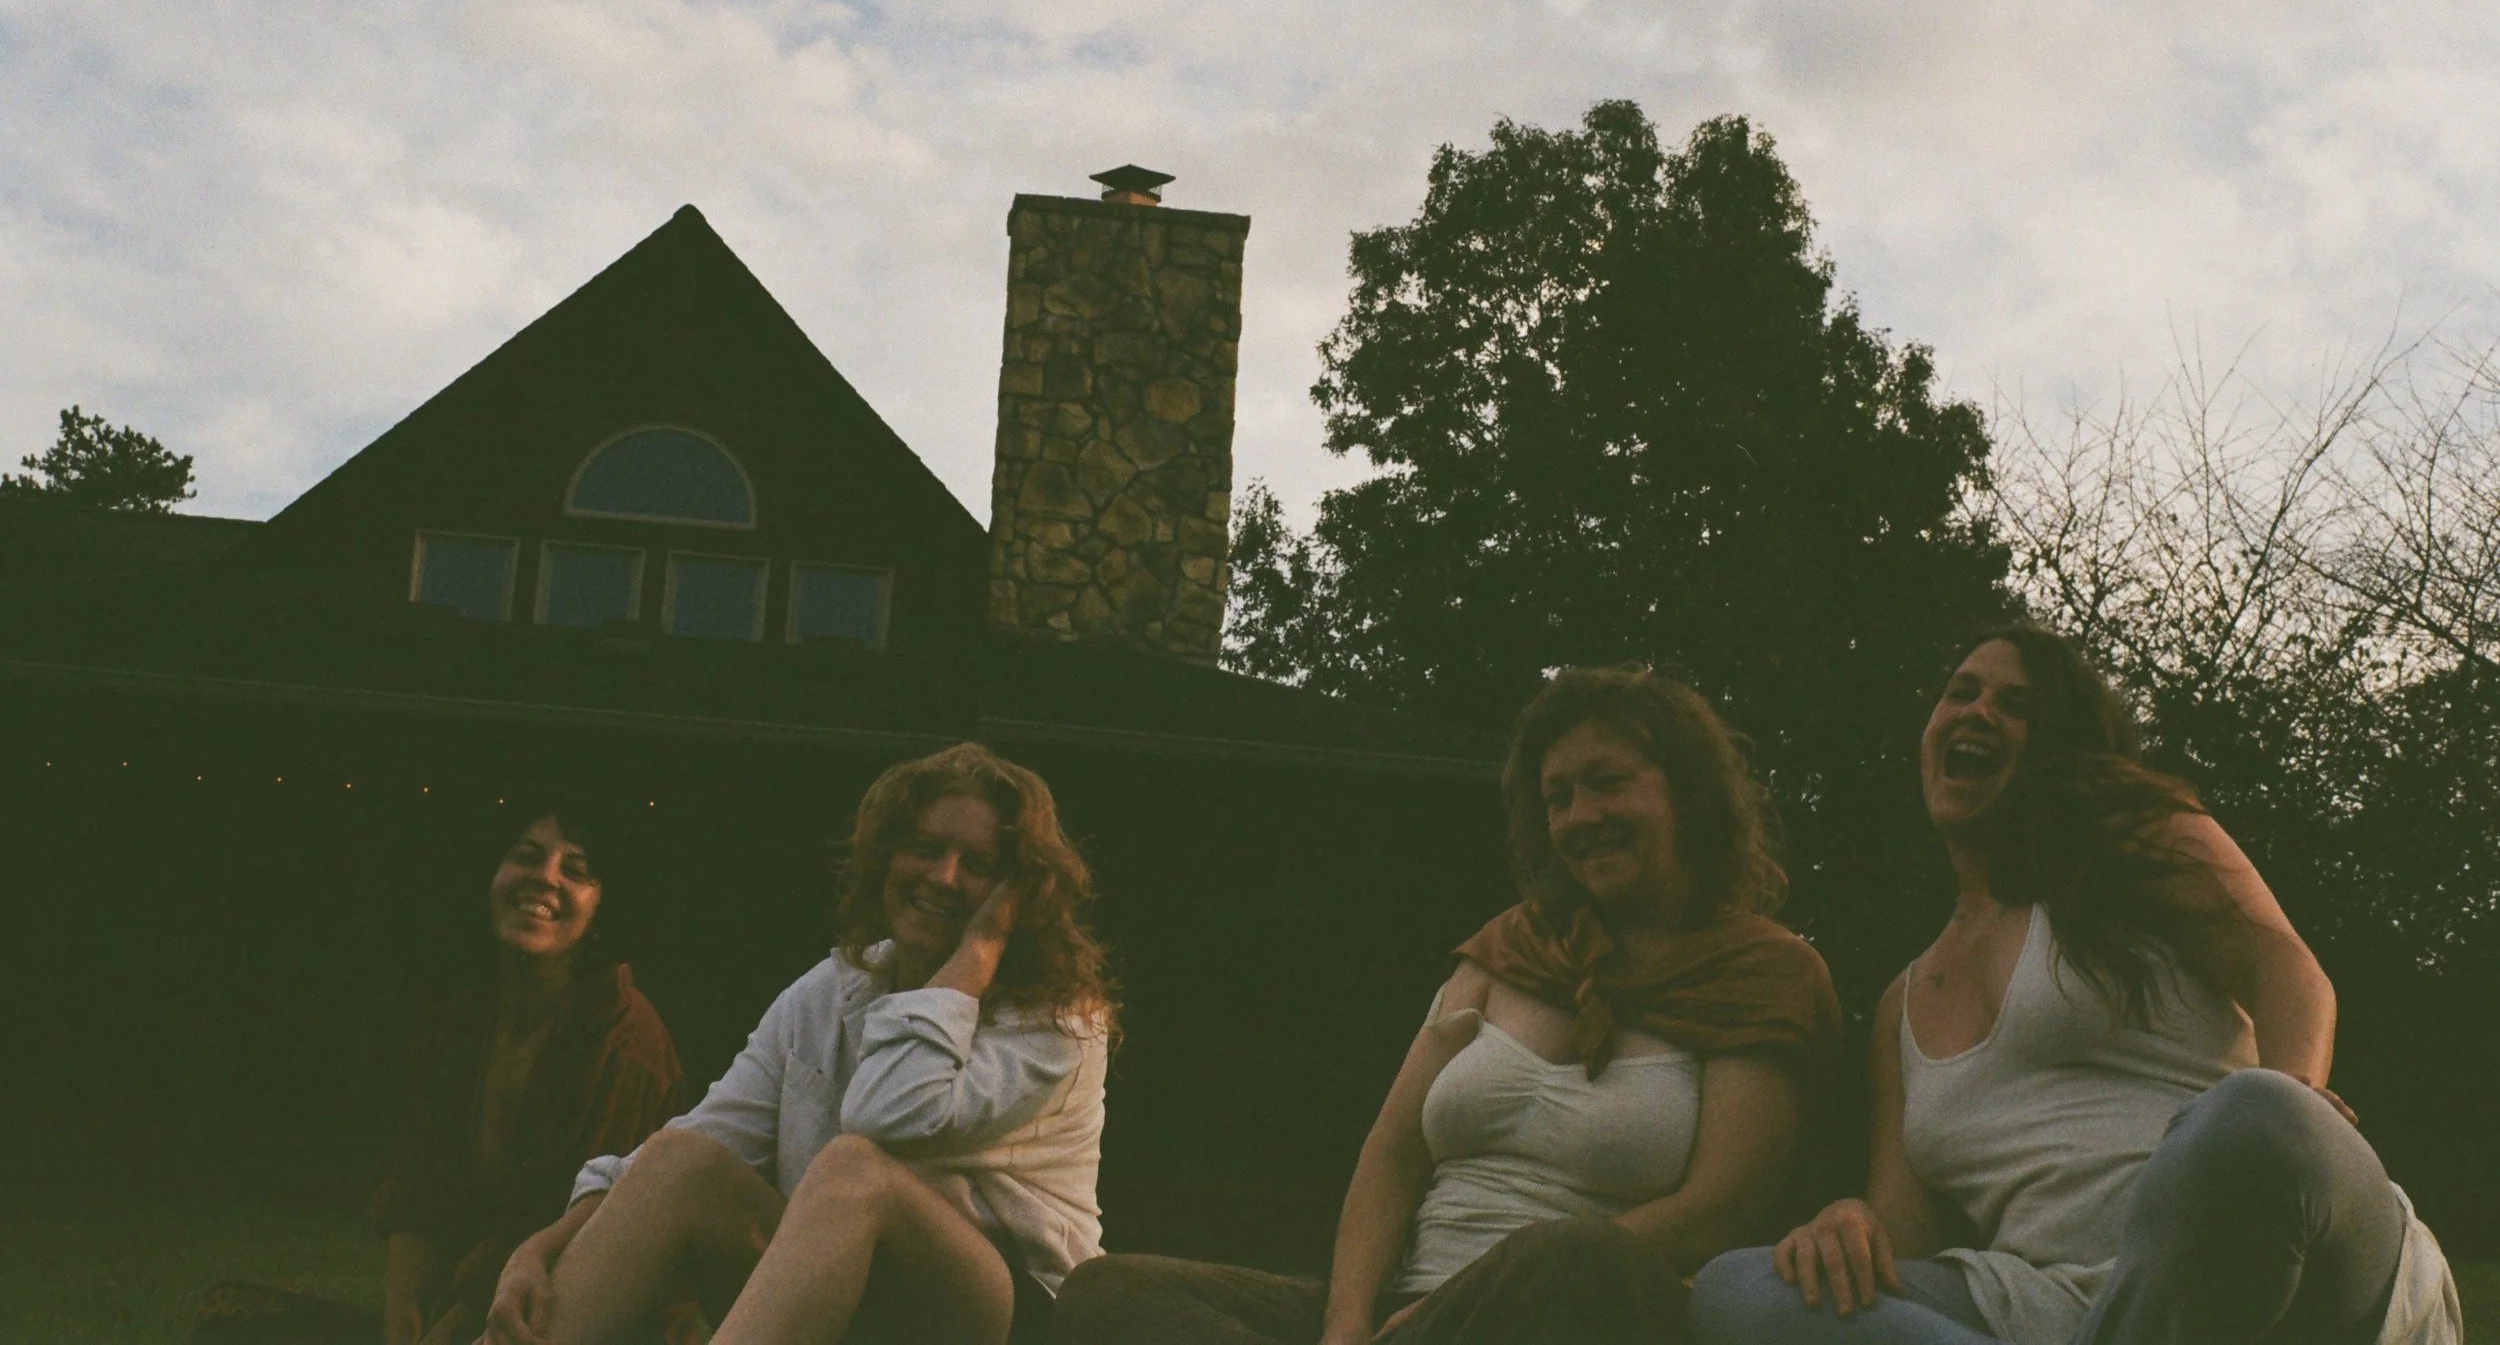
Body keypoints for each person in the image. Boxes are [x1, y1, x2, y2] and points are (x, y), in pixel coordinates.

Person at [1690, 623, 2464, 1345]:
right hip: (2048, 1304)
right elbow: (1904, 1235)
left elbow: (2287, 968)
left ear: (2059, 746)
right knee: (1741, 1286)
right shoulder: (1902, 1004)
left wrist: (2297, 1093)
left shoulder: (2133, 843)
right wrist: (1848, 1223)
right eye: (1961, 692)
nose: (1979, 710)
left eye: (2017, 705)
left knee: (2258, 1115)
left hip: (2280, 1256)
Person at [1055, 666, 1841, 1345]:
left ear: (1687, 794)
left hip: (1571, 1312)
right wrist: (1346, 1325)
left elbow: (1717, 1210)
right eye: (1558, 797)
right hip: (1404, 1318)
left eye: (1608, 784)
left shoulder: (1763, 976)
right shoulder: (1508, 953)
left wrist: (1458, 1304)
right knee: (1107, 1292)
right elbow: (1394, 1151)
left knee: (1574, 1256)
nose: (1579, 818)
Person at [483, 742, 1115, 1345]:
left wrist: (975, 955)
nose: (943, 877)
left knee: (855, 1169)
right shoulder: (835, 987)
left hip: (1003, 1320)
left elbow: (889, 1112)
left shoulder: (1058, 1022)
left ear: (1018, 894)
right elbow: (701, 1137)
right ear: (888, 857)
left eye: (978, 866)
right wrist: (542, 1246)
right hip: (840, 1302)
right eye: (924, 849)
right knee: (683, 1158)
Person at [368, 801, 687, 1345]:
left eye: (577, 871)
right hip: (465, 1310)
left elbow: (572, 1226)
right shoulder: (459, 1023)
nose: (544, 878)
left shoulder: (626, 1038)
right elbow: (420, 1188)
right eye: (527, 857)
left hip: (572, 1318)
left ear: (601, 913)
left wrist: (460, 1322)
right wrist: (403, 1316)